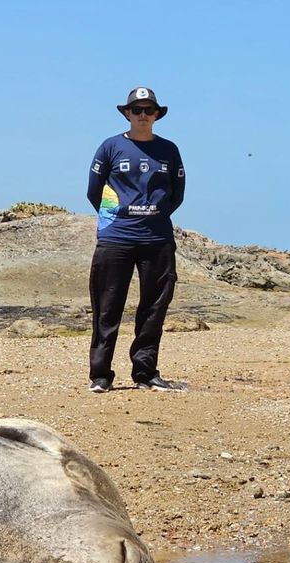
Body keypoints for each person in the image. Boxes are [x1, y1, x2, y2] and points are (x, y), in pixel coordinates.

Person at [84, 86, 186, 393]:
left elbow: (177, 194)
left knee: (154, 307)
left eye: (149, 110)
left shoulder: (169, 150)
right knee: (107, 306)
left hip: (157, 240)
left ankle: (146, 373)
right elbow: (94, 190)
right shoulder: (110, 147)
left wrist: (153, 216)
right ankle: (100, 375)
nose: (143, 115)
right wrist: (115, 219)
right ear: (127, 113)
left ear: (157, 115)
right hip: (116, 239)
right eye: (137, 110)